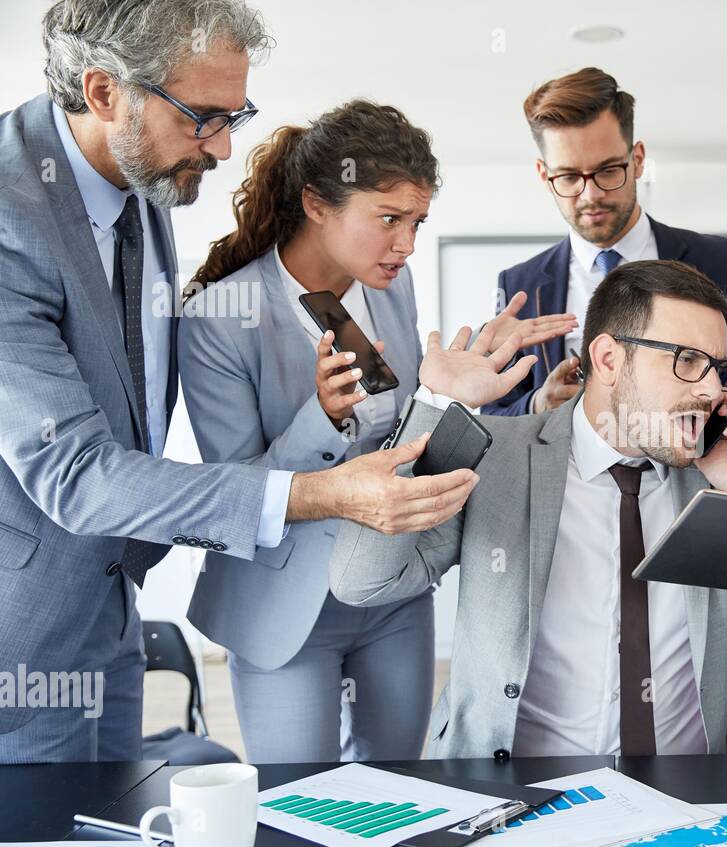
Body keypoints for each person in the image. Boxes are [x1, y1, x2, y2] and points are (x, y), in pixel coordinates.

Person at [0, 0, 474, 763]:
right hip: (24, 629)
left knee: (111, 843)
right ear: (102, 92)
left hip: (116, 602)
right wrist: (325, 488)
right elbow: (76, 474)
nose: (222, 148)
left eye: (235, 115)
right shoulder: (9, 214)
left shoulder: (139, 195)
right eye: (202, 117)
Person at [331, 260, 727, 758]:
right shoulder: (495, 457)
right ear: (609, 360)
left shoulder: (718, 473)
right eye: (686, 360)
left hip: (692, 792)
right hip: (514, 792)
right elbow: (362, 580)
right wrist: (436, 404)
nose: (711, 389)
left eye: (718, 368)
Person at [178, 101, 453, 763]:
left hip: (391, 594)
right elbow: (236, 492)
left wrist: (453, 389)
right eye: (389, 219)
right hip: (282, 605)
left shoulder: (393, 286)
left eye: (417, 222)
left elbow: (400, 430)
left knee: (395, 796)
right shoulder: (219, 318)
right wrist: (321, 420)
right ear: (317, 204)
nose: (407, 244)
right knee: (298, 810)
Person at [478, 67, 727, 453]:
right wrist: (541, 404)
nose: (590, 196)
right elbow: (494, 414)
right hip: (566, 503)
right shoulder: (519, 285)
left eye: (608, 171)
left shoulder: (721, 261)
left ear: (637, 159)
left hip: (689, 492)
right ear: (543, 174)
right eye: (569, 177)